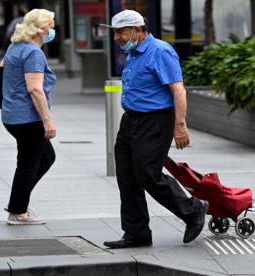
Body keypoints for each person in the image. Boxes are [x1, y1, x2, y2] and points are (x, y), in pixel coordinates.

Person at [100, 10, 208, 249]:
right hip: (131, 121)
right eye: (115, 32)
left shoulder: (159, 51)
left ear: (137, 30)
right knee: (127, 177)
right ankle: (136, 233)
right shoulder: (133, 52)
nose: (116, 37)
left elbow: (178, 90)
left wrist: (180, 126)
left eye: (120, 32)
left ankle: (193, 210)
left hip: (156, 121)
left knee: (148, 173)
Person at [1, 9, 57, 225]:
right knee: (28, 163)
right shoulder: (33, 53)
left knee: (45, 157)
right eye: (50, 26)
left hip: (12, 115)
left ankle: (17, 201)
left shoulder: (15, 47)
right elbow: (35, 90)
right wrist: (47, 120)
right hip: (28, 118)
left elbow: (3, 71)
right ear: (40, 29)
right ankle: (18, 212)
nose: (53, 29)